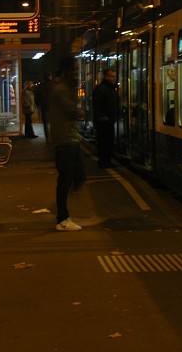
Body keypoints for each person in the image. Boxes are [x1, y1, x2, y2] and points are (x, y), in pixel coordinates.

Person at [48, 57, 86, 231]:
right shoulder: (61, 90)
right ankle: (62, 218)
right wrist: (79, 111)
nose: (77, 74)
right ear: (67, 71)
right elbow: (73, 112)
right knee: (65, 179)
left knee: (79, 175)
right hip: (65, 140)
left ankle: (63, 209)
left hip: (72, 138)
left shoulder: (65, 88)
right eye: (75, 70)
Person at [91, 67, 119, 168]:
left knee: (108, 142)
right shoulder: (102, 89)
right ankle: (103, 162)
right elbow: (97, 104)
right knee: (104, 142)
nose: (113, 78)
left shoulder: (110, 89)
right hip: (103, 121)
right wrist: (102, 116)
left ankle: (107, 161)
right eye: (111, 76)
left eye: (114, 76)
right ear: (106, 76)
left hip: (109, 120)